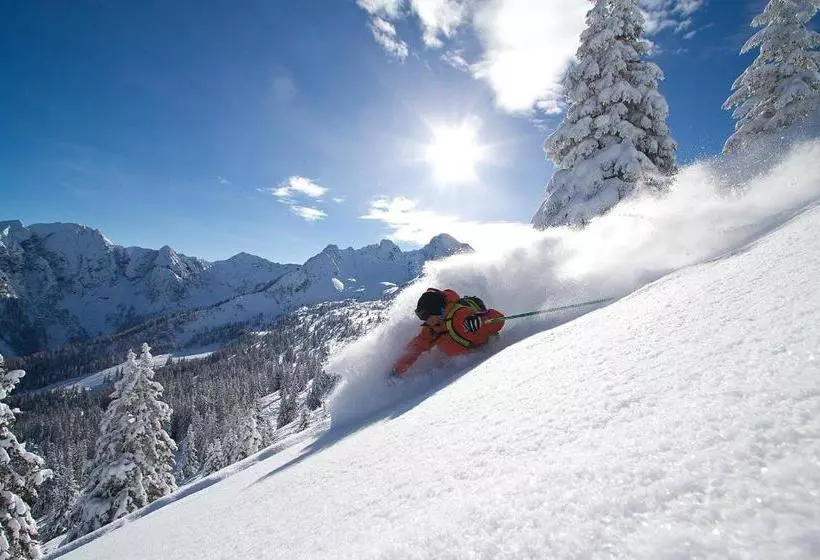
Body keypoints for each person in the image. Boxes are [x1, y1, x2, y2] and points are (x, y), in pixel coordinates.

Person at [392, 288, 505, 377]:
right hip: (460, 363)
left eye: (426, 315)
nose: (424, 320)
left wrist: (479, 321)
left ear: (439, 311)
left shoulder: (460, 316)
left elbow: (499, 319)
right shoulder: (431, 328)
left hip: (486, 358)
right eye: (421, 316)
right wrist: (396, 370)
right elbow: (417, 347)